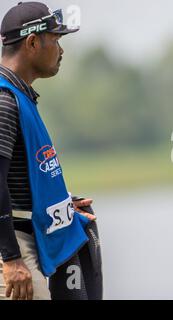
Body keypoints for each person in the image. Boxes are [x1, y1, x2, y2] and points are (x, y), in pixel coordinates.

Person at [0, 1, 96, 300]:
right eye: (55, 40)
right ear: (32, 42)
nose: (61, 50)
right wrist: (11, 259)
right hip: (13, 250)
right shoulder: (4, 100)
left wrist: (62, 205)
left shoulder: (20, 95)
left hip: (25, 240)